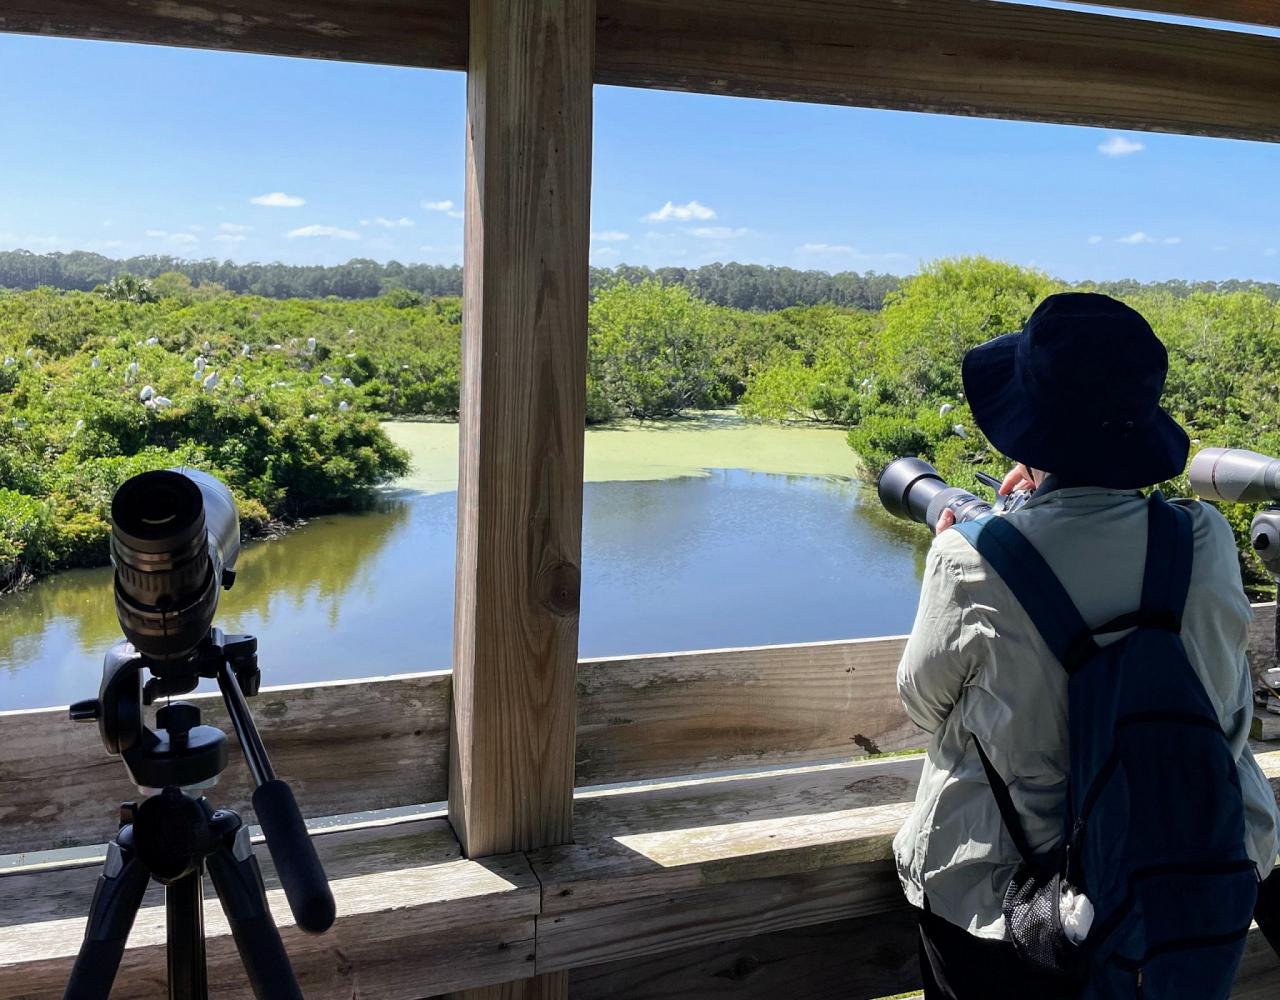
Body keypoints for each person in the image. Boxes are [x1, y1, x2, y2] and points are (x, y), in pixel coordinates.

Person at [892, 292, 1280, 999]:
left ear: (1028, 431)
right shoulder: (1203, 540)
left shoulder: (966, 560)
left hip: (1014, 905)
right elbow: (1226, 698)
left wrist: (986, 530)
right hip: (1189, 873)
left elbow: (922, 704)